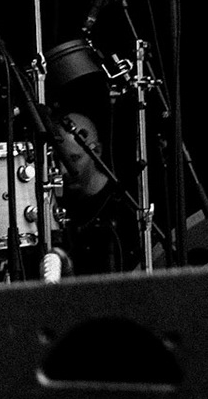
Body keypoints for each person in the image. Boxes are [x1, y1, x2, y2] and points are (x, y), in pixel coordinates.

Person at [49, 110, 142, 275]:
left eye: (74, 159)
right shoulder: (55, 202)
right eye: (58, 160)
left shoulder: (123, 207)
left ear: (97, 150)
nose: (63, 170)